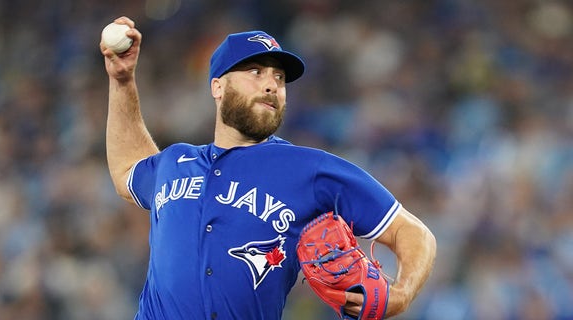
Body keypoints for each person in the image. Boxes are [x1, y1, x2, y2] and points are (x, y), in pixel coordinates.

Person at [100, 16, 436, 320]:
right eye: (255, 72)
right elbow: (127, 169)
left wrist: (402, 294)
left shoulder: (310, 169)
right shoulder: (175, 162)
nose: (271, 84)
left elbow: (414, 234)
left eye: (279, 77)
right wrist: (122, 80)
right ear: (218, 86)